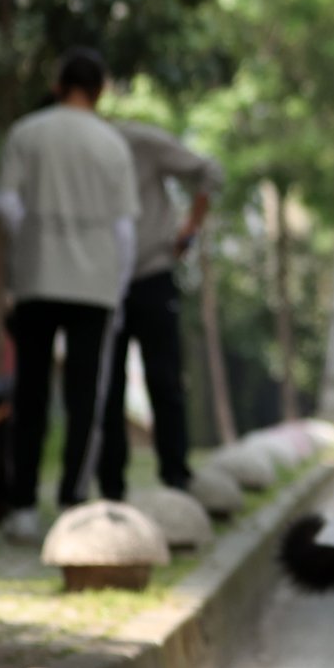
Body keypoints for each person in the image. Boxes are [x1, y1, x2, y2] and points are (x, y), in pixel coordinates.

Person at [0, 47, 142, 542]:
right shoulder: (112, 145)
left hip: (37, 278)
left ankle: (21, 508)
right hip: (94, 287)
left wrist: (32, 237)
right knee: (85, 400)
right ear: (99, 90)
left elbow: (5, 200)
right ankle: (73, 505)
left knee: (30, 393)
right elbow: (124, 230)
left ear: (59, 84)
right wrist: (117, 290)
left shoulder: (26, 132)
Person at [100, 116, 223, 500]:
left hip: (152, 272)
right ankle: (110, 486)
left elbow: (210, 171)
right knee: (107, 386)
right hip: (102, 281)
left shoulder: (140, 139)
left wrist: (190, 227)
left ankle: (176, 476)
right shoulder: (78, 145)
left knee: (165, 380)